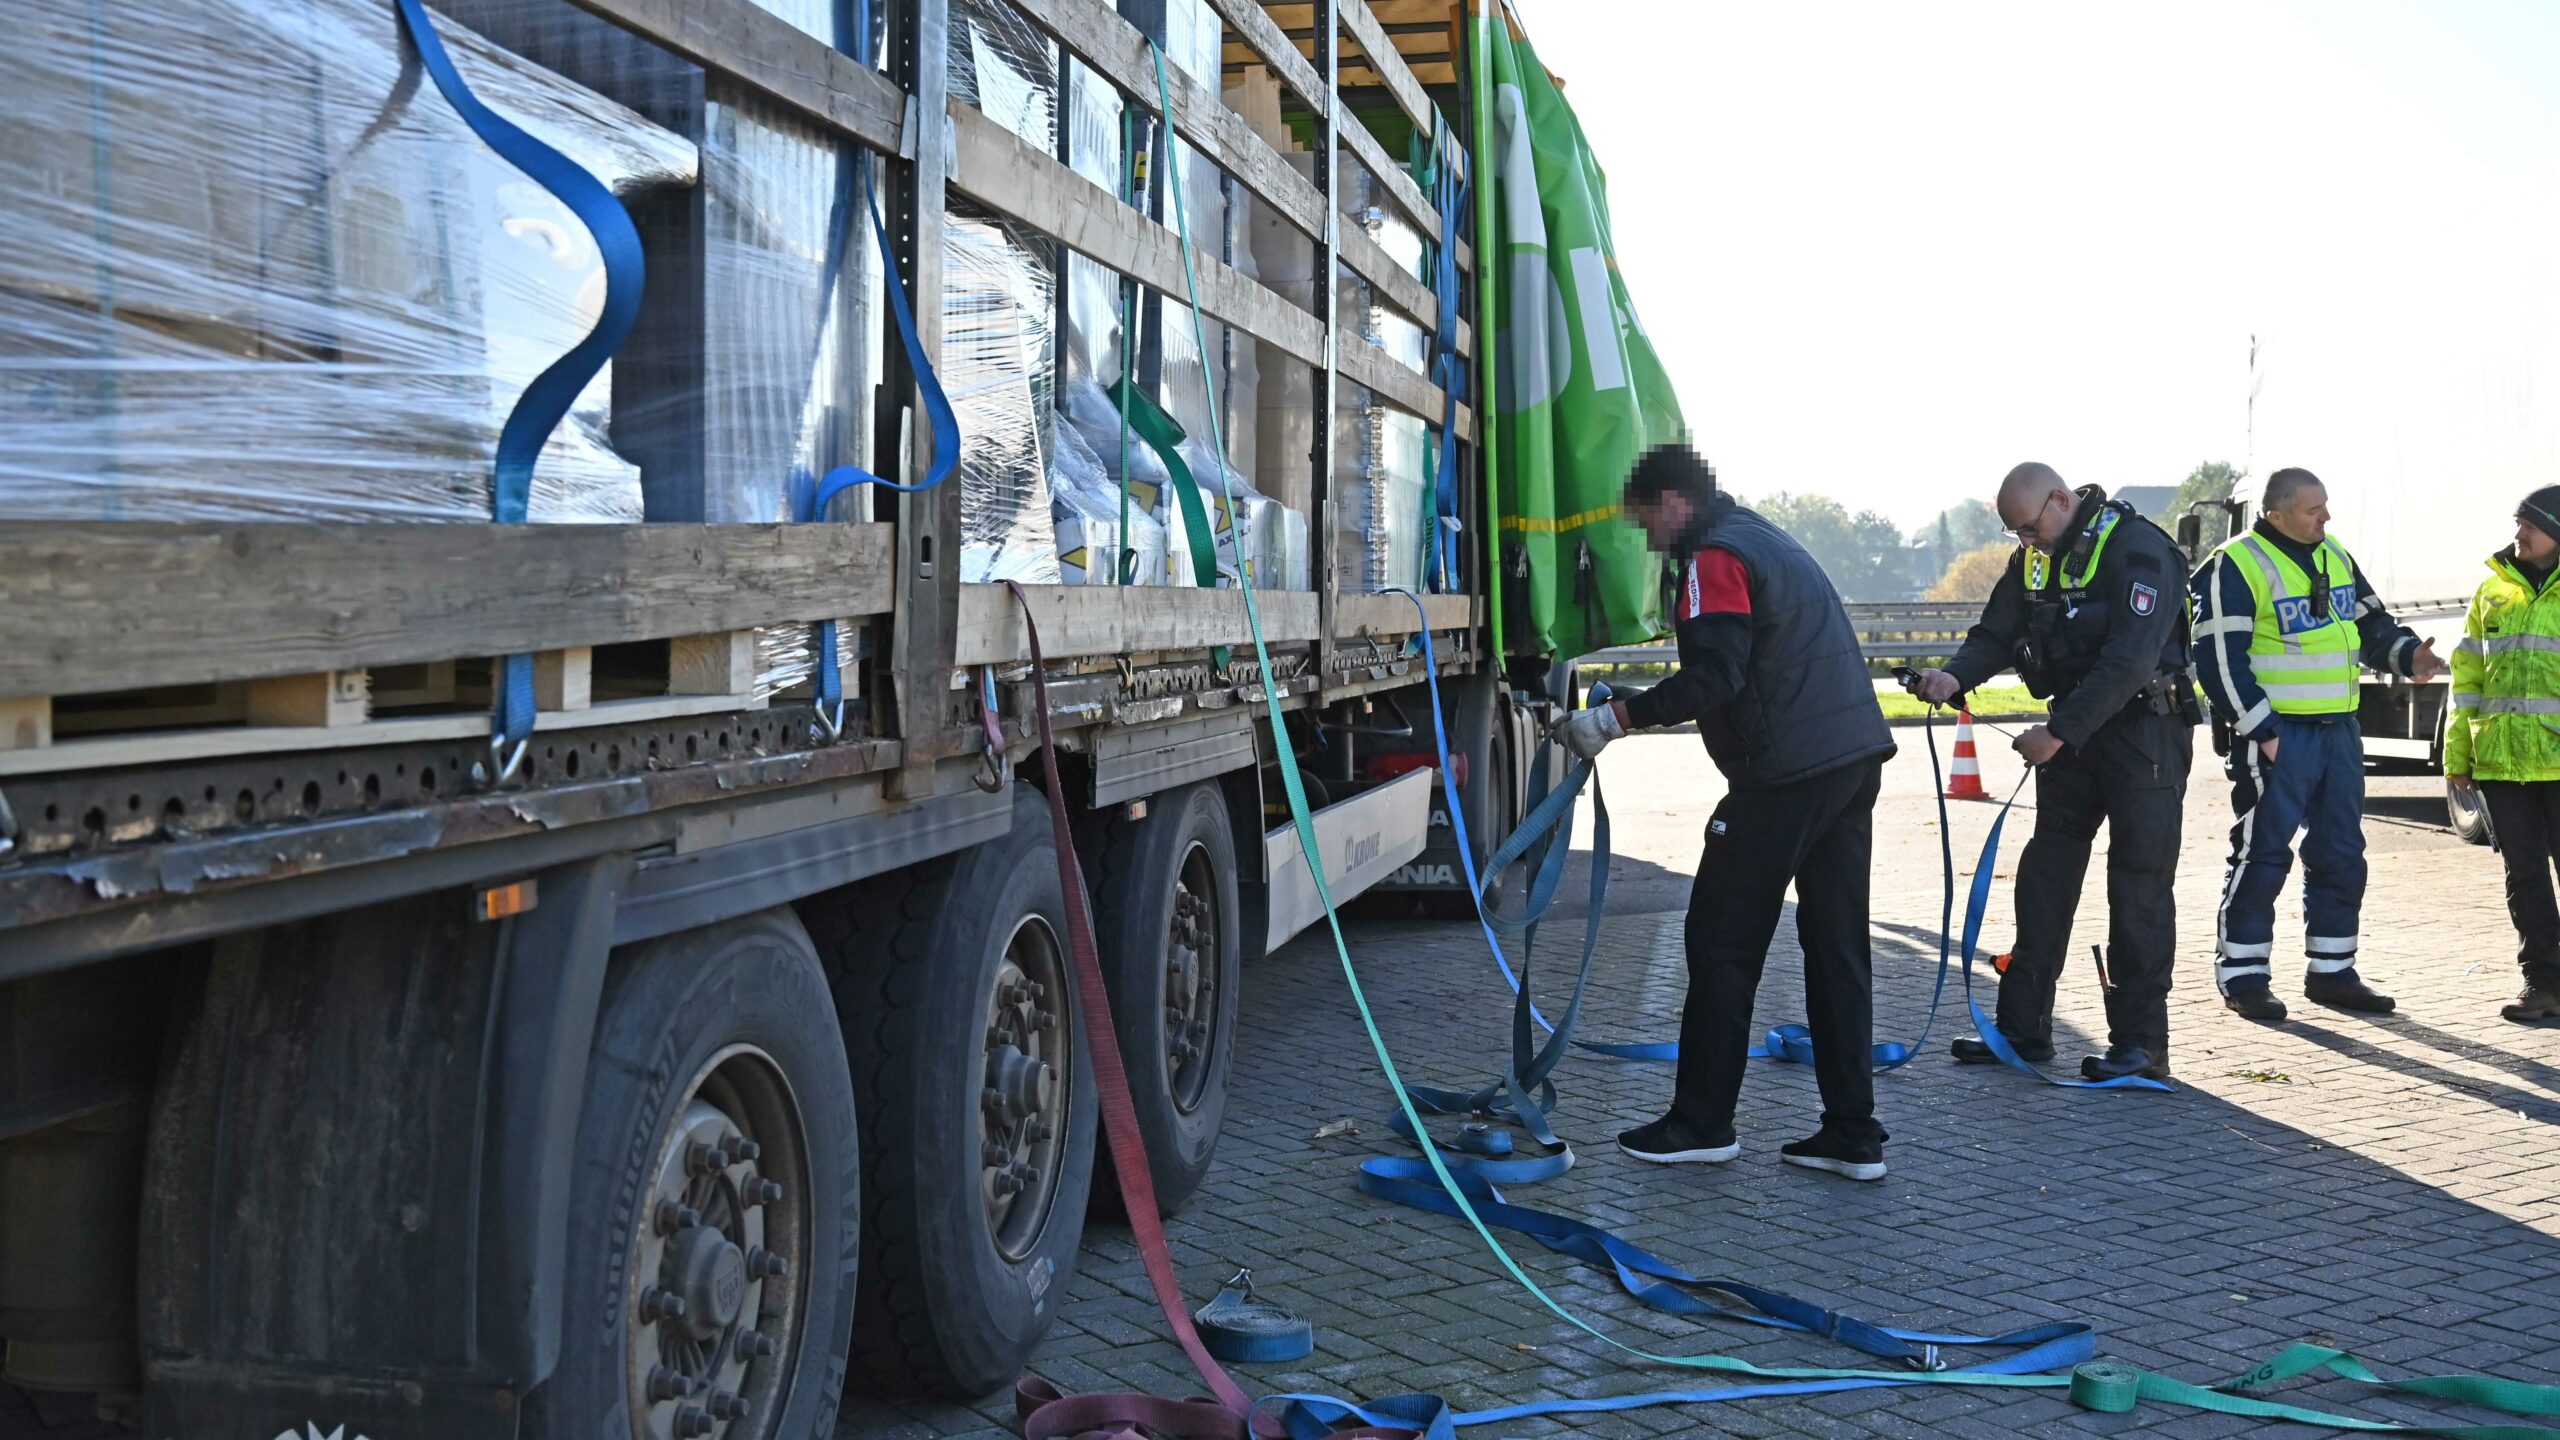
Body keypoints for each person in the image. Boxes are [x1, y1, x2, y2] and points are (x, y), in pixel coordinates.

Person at [1554, 443, 1898, 1180]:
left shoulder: (1713, 557)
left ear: (1674, 500)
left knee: (1720, 941)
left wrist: (1617, 720)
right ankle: (1852, 1133)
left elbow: (1716, 675)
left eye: (1646, 520)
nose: (1647, 538)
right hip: (1850, 759)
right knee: (1837, 946)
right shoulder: (1764, 537)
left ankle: (1702, 1122)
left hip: (1786, 775)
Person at [1912, 463, 2198, 1082]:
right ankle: (2022, 1031)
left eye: (2030, 528)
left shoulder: (2139, 548)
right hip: (2073, 738)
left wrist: (2060, 732)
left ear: (2061, 499)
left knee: (2139, 884)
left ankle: (2142, 1046)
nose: (2026, 543)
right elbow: (1997, 631)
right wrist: (1954, 676)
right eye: (2017, 534)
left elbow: (2129, 660)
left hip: (2143, 734)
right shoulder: (2034, 560)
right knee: (2044, 878)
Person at [2191, 467, 2442, 1021]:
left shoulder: (2334, 555)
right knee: (2263, 855)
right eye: (2313, 510)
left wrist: (2409, 656)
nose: (2325, 518)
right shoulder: (2234, 563)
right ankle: (2243, 974)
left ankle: (2332, 971)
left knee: (2341, 854)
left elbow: (2372, 627)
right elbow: (2216, 659)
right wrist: (2263, 731)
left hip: (2339, 733)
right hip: (2279, 736)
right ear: (2276, 515)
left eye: (2325, 507)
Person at [2444, 486, 2560, 1024]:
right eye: (2518, 524)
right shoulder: (2492, 592)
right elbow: (2465, 682)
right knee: (2525, 876)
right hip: (2504, 765)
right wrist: (2457, 756)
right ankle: (2540, 984)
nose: (2518, 536)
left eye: (2529, 527)